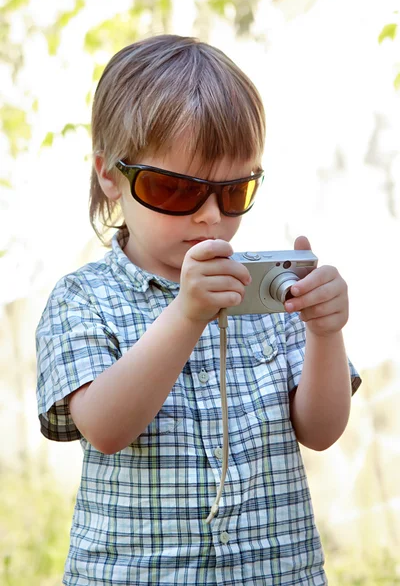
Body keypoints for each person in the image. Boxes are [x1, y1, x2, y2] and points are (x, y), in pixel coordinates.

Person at [36, 34, 361, 586]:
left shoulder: (269, 290)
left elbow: (321, 429)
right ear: (109, 175)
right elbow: (106, 428)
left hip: (276, 572)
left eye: (234, 192)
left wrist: (326, 333)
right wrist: (187, 315)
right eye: (174, 189)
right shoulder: (82, 298)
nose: (210, 216)